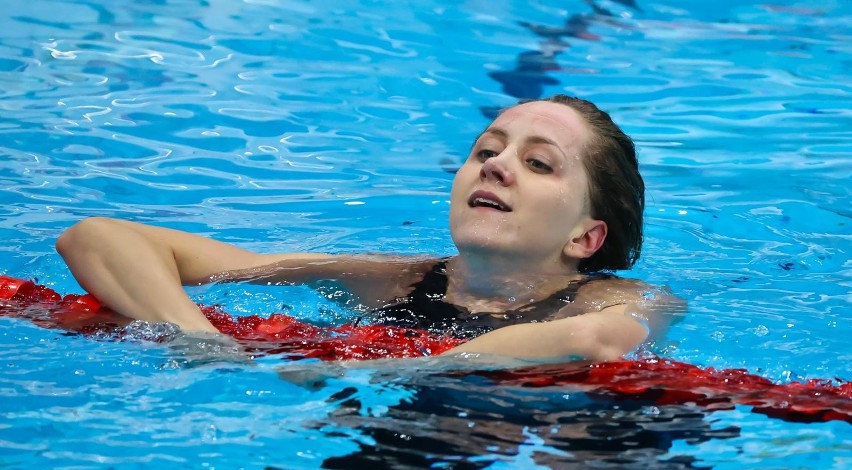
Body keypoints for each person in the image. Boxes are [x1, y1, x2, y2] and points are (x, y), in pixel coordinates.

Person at [56, 95, 680, 362]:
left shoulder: (617, 298)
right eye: (487, 149)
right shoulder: (388, 278)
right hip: (414, 422)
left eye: (538, 163)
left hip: (592, 431)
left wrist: (392, 371)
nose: (496, 165)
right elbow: (97, 237)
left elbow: (598, 341)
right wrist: (202, 340)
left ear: (585, 238)